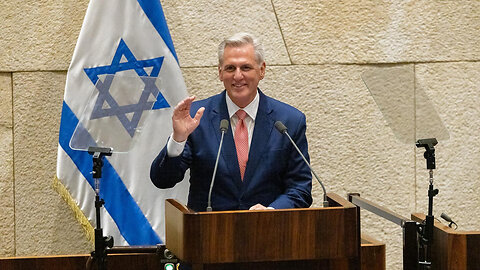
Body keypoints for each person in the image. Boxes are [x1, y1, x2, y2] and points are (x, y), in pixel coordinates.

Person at [150, 32, 312, 212]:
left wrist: (272, 211)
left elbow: (300, 189)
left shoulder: (289, 121)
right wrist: (178, 139)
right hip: (208, 233)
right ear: (220, 72)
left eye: (246, 67)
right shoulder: (197, 117)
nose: (237, 76)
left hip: (269, 232)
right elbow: (162, 180)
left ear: (262, 70)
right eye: (230, 68)